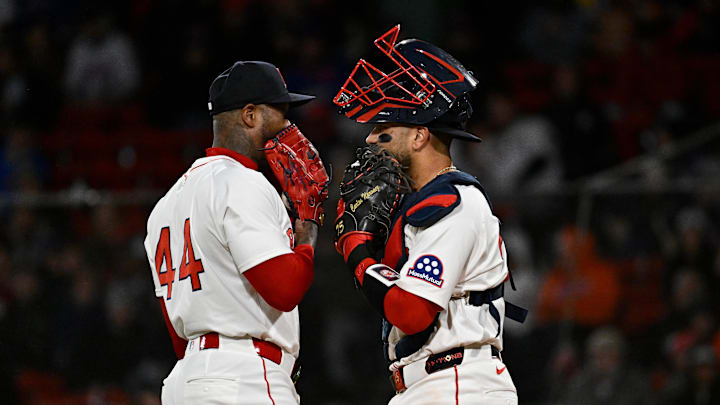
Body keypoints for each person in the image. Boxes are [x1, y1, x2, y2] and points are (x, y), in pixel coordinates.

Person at [332, 25, 526, 404]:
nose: (371, 138)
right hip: (436, 382)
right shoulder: (418, 204)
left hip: (458, 383)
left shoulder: (454, 202)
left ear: (420, 136)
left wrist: (358, 254)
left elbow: (413, 312)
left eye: (383, 126)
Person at [144, 60, 326, 404]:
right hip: (244, 380)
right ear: (250, 115)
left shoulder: (164, 207)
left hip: (188, 381)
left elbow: (176, 332)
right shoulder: (241, 182)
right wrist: (308, 231)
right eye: (281, 114)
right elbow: (285, 289)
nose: (289, 126)